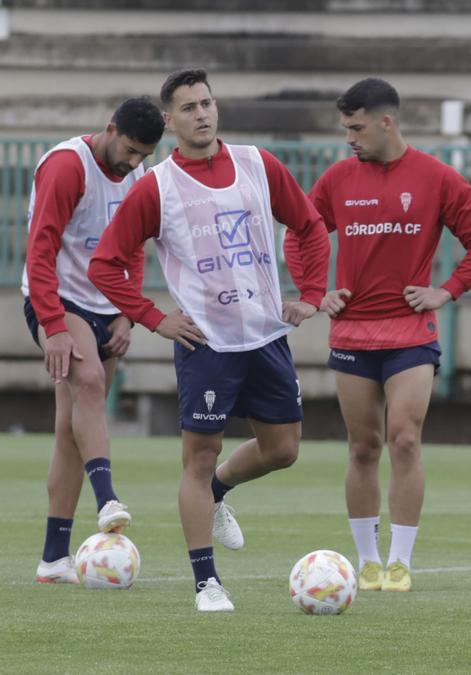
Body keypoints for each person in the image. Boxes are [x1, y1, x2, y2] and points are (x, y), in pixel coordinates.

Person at [88, 68, 331, 611]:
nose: (202, 113)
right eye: (189, 107)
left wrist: (311, 294)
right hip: (205, 344)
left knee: (284, 450)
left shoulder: (257, 164)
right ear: (169, 120)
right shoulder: (156, 186)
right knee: (198, 458)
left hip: (266, 336)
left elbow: (310, 226)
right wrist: (154, 318)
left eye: (207, 102)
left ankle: (219, 494)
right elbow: (105, 265)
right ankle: (207, 583)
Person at [283, 77, 471, 592]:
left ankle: (401, 562)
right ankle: (368, 561)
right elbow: (302, 233)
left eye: (356, 127)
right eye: (344, 128)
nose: (348, 138)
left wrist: (446, 290)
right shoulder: (337, 179)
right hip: (353, 333)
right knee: (363, 446)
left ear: (386, 122)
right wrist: (316, 292)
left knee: (404, 438)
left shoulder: (436, 178)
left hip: (410, 333)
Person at [24, 97, 164, 584]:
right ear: (110, 129)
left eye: (144, 154)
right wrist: (54, 326)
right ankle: (107, 499)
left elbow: (136, 247)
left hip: (108, 307)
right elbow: (40, 251)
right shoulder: (67, 167)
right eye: (129, 150)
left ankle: (53, 559)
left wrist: (128, 313)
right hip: (59, 300)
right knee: (87, 384)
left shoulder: (139, 177)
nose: (133, 162)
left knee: (70, 429)